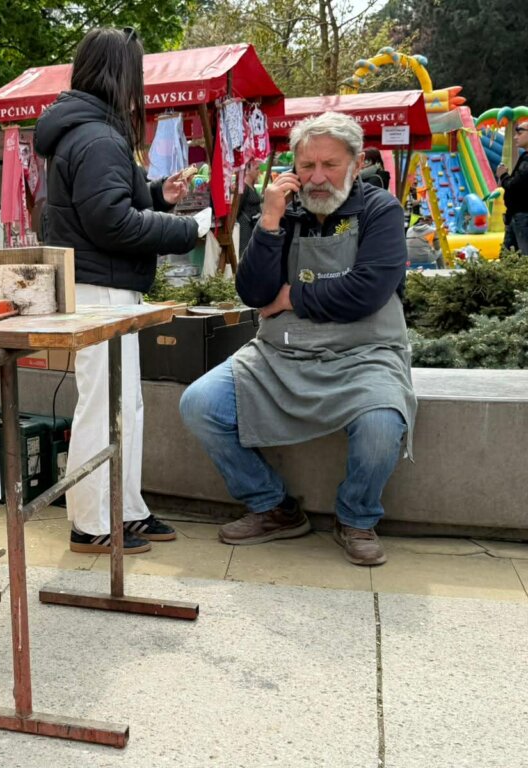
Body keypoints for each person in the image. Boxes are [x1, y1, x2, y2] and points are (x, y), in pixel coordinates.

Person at [179, 112, 416, 567]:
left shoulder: (380, 210)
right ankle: (273, 507)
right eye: (307, 165)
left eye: (330, 165)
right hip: (279, 353)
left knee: (382, 425)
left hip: (365, 355)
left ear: (357, 163)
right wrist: (268, 222)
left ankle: (356, 517)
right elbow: (253, 293)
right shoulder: (282, 209)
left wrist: (291, 297)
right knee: (200, 404)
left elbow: (367, 292)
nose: (317, 178)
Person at [34, 27, 199, 555]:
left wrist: (155, 195)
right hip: (101, 288)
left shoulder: (86, 132)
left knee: (120, 406)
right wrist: (185, 229)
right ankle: (92, 521)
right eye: (138, 72)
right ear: (121, 75)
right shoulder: (100, 136)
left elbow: (102, 210)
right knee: (106, 407)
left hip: (98, 284)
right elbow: (111, 223)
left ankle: (124, 510)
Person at [496, 122, 528, 253]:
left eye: (519, 133)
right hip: (516, 216)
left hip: (523, 216)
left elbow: (515, 185)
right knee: (509, 257)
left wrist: (503, 175)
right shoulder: (525, 157)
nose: (515, 137)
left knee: (522, 257)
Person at [237, 159, 262, 252]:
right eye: (256, 169)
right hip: (245, 226)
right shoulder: (244, 187)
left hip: (253, 225)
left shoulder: (252, 186)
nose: (258, 171)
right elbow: (238, 208)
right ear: (247, 170)